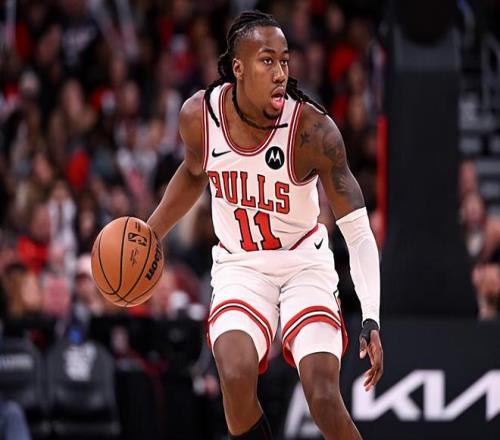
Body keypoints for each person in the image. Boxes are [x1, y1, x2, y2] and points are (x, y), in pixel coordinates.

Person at [148, 10, 383, 440]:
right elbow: (195, 170)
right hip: (241, 265)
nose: (280, 73)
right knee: (235, 376)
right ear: (237, 68)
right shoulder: (200, 116)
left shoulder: (313, 131)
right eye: (267, 60)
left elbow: (357, 232)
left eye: (285, 61)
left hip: (303, 264)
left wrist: (371, 316)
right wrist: (151, 233)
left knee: (323, 398)